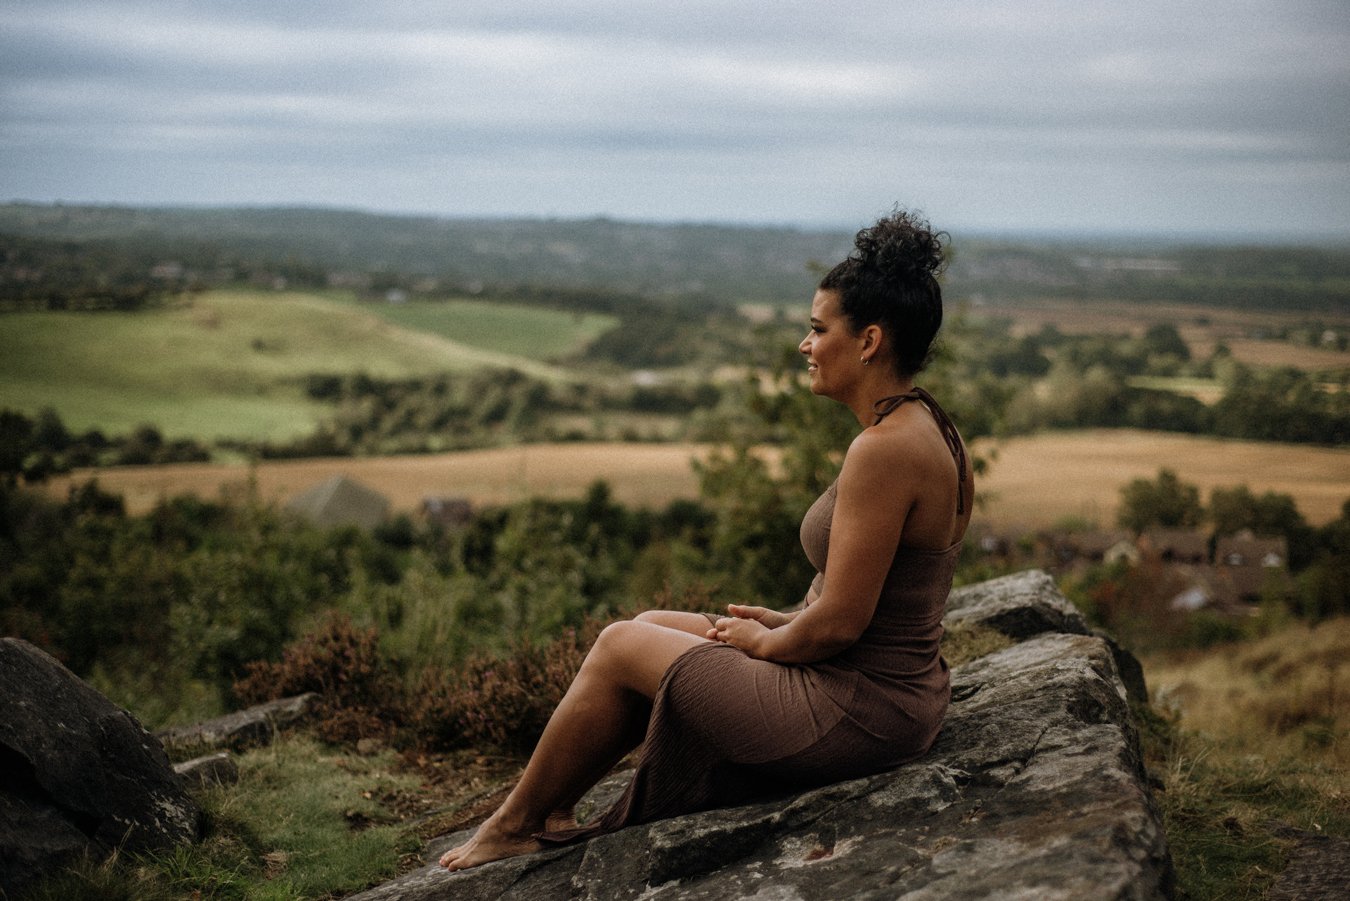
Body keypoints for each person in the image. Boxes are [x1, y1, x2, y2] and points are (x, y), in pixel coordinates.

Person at [439, 208, 973, 872]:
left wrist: (769, 642)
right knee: (653, 623)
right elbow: (878, 593)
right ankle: (549, 806)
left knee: (619, 643)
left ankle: (513, 824)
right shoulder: (929, 423)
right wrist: (786, 621)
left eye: (816, 329)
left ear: (867, 341)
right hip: (890, 692)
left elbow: (841, 624)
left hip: (860, 711)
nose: (805, 345)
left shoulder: (883, 450)